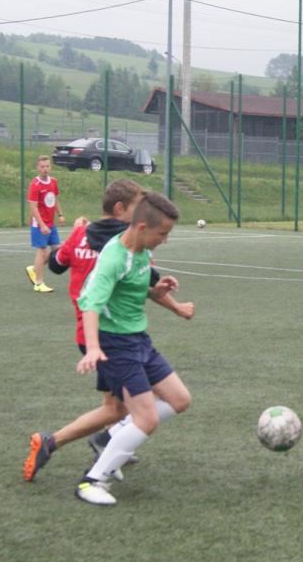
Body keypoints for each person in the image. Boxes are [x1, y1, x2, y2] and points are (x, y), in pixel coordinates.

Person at [25, 192, 193, 506]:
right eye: (163, 233)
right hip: (115, 345)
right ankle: (91, 481)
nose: (165, 240)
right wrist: (92, 348)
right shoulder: (114, 258)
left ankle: (108, 439)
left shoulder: (141, 251)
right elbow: (90, 303)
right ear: (141, 227)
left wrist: (158, 290)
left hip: (138, 339)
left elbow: (134, 288)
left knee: (179, 399)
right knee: (145, 418)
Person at [25, 155, 65, 293]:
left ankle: (34, 269)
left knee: (57, 249)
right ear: (38, 168)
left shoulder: (53, 181)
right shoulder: (35, 185)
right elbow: (33, 207)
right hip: (39, 224)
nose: (45, 169)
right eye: (42, 167)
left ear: (50, 167)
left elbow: (54, 199)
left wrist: (60, 214)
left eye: (47, 166)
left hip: (51, 223)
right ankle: (39, 283)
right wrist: (42, 225)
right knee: (41, 250)